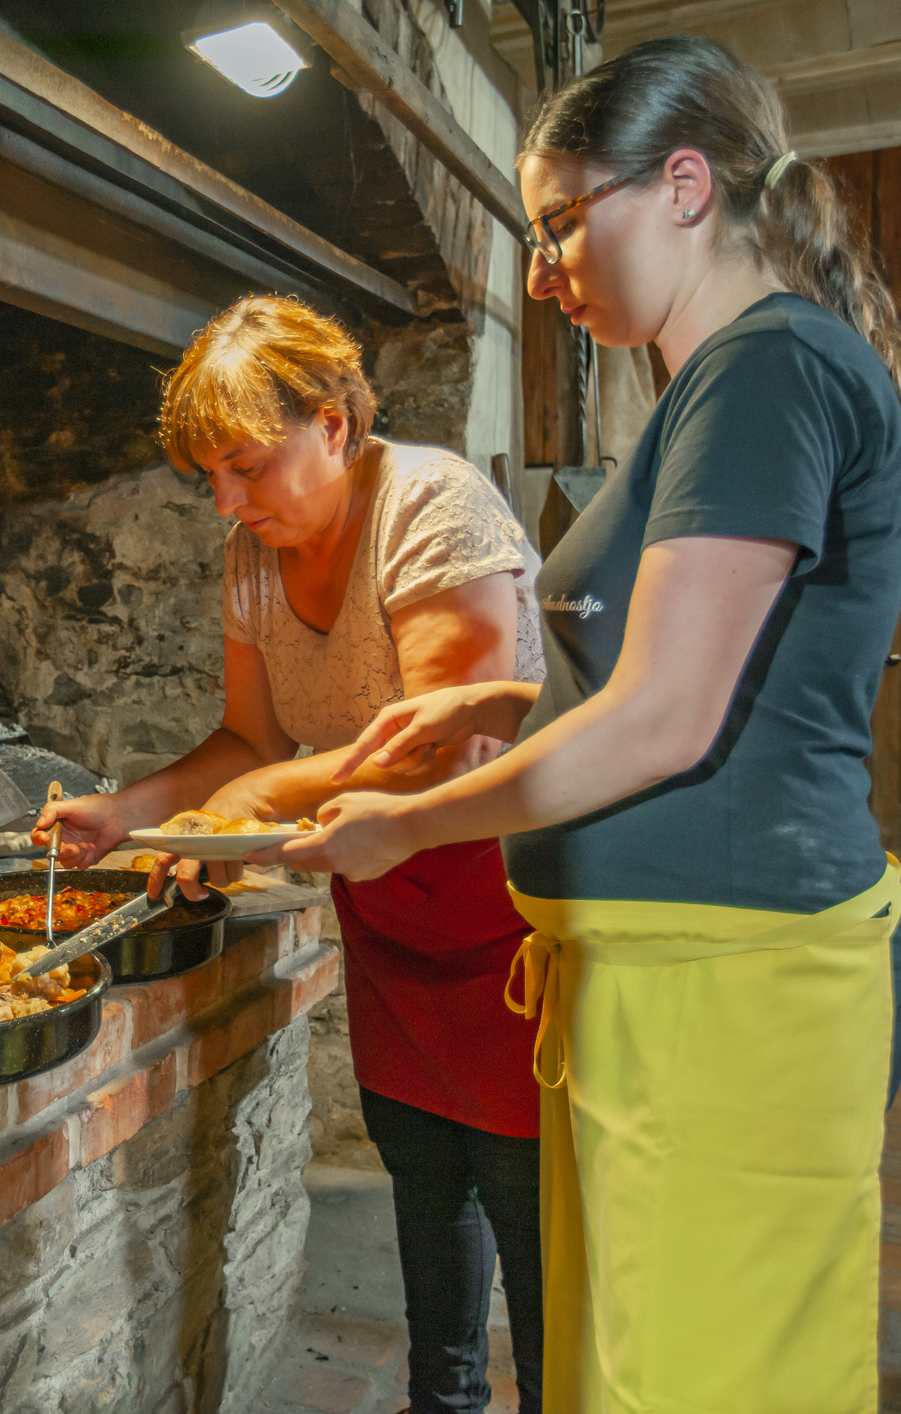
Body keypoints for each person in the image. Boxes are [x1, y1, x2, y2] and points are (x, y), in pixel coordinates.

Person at [260, 36, 901, 1414]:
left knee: (707, 1382)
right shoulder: (711, 388)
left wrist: (405, 826)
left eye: (562, 222)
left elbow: (670, 719)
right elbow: (704, 667)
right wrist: (494, 701)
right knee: (625, 1370)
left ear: (683, 187)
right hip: (670, 978)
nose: (538, 270)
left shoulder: (766, 371)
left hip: (736, 981)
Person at [33, 295, 548, 1414]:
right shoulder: (253, 558)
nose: (226, 500)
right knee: (424, 1171)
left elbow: (448, 743)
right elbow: (249, 741)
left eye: (246, 465)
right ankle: (442, 1398)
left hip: (509, 903)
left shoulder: (433, 505)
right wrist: (131, 811)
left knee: (533, 1204)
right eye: (208, 475)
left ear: (331, 423)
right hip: (386, 897)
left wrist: (261, 797)